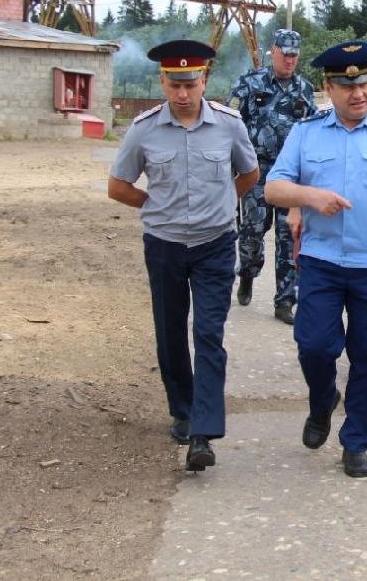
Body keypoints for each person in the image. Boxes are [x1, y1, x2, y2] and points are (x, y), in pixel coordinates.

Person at [264, 40, 367, 479]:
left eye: (364, 83)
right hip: (321, 261)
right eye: (347, 85)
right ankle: (322, 403)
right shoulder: (307, 132)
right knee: (315, 345)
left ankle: (356, 440)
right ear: (329, 88)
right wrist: (310, 196)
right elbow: (273, 188)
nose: (359, 93)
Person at [108, 39, 259, 472]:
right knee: (171, 334)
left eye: (190, 84)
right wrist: (154, 206)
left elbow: (249, 173)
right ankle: (182, 408)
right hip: (165, 246)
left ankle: (202, 431)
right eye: (174, 85)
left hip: (215, 245)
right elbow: (118, 186)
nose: (182, 94)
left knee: (209, 334)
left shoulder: (230, 125)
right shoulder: (144, 128)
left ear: (205, 80)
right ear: (163, 82)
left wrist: (223, 202)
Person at [228, 28, 316, 324]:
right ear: (273, 52)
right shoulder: (251, 83)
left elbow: (313, 133)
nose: (290, 60)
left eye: (294, 55)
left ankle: (284, 300)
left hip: (290, 176)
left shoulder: (304, 89)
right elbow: (231, 125)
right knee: (252, 233)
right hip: (257, 172)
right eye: (285, 54)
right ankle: (248, 273)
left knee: (289, 238)